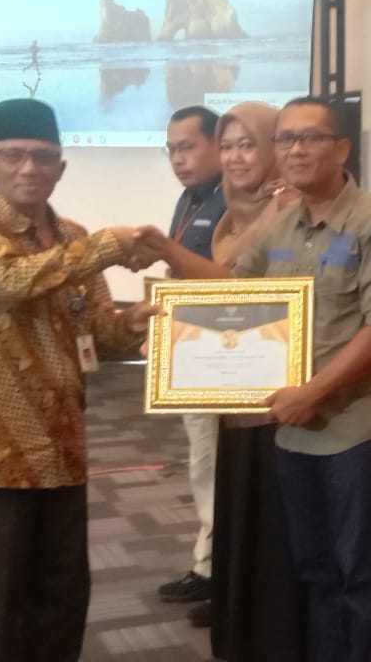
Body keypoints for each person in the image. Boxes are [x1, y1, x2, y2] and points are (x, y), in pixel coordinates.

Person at [154, 97, 371, 662]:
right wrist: (165, 264)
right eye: (286, 139)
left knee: (359, 578)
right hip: (294, 431)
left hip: (351, 433)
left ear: (341, 149)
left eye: (310, 138)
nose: (295, 149)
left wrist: (313, 393)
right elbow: (230, 284)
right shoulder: (283, 225)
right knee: (316, 572)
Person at [0, 98, 162, 662]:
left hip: (61, 450)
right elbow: (12, 281)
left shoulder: (74, 235)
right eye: (13, 155)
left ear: (61, 167)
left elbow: (98, 332)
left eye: (42, 157)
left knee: (58, 601)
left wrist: (134, 322)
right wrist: (107, 246)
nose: (28, 168)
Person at [202, 102, 305, 661]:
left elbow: (233, 281)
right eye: (227, 145)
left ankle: (274, 639)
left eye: (248, 145)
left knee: (274, 514)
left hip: (279, 391)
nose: (235, 157)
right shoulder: (229, 215)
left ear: (271, 149)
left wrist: (166, 254)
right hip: (234, 385)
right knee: (241, 502)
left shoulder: (290, 208)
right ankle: (242, 633)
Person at [157, 105, 229, 613]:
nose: (178, 159)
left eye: (188, 147)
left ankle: (221, 574)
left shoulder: (236, 201)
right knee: (203, 462)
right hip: (192, 345)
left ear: (216, 145)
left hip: (227, 351)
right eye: (171, 150)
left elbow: (230, 277)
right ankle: (209, 565)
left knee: (215, 463)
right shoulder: (191, 198)